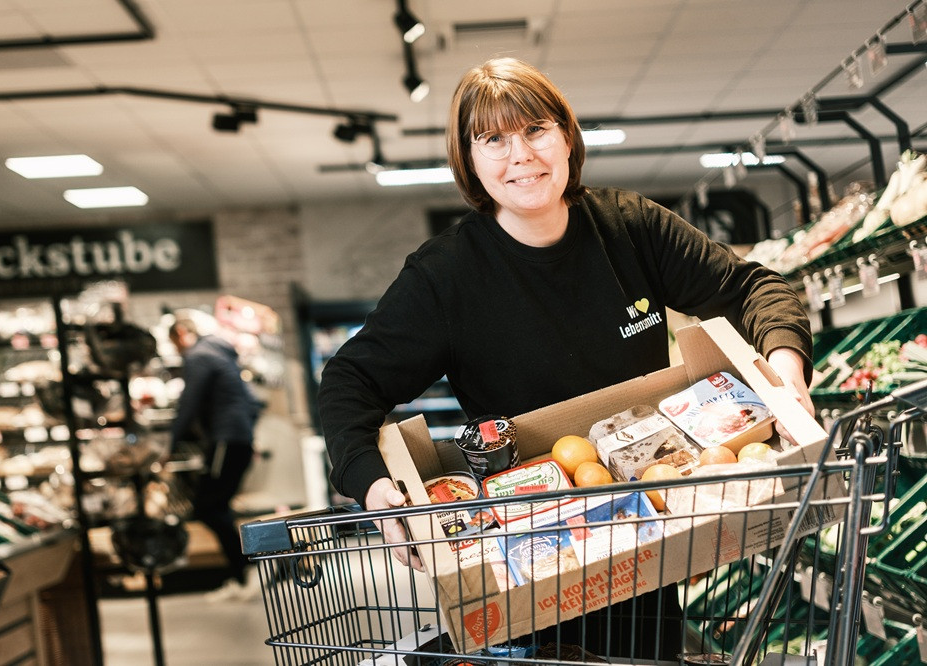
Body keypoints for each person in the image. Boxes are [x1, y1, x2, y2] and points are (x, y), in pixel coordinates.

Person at [317, 57, 814, 660]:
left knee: (646, 649)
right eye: (492, 139)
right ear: (469, 161)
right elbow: (350, 380)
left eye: (535, 130)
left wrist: (785, 376)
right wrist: (372, 486)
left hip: (646, 516)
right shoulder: (444, 277)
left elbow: (753, 288)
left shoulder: (629, 228)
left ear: (567, 138)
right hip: (527, 548)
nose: (520, 155)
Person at [170, 316, 263, 602]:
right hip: (236, 439)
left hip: (225, 441)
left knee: (208, 506)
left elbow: (189, 401)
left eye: (174, 342)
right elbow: (254, 403)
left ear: (183, 334)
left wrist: (170, 444)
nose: (176, 350)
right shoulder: (221, 354)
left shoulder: (199, 356)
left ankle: (247, 573)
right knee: (217, 506)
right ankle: (243, 573)